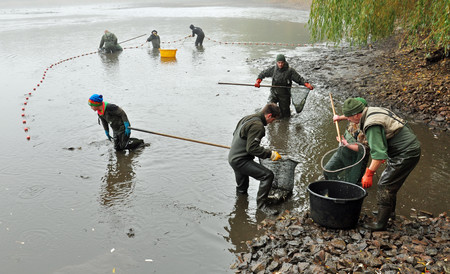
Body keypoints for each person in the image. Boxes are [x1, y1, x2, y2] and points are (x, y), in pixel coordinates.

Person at [342, 98, 421, 231]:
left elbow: (379, 155)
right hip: (405, 148)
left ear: (356, 115)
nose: (348, 120)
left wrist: (369, 173)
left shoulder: (371, 125)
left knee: (385, 184)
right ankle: (390, 214)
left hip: (406, 152)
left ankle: (380, 224)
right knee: (391, 182)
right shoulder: (371, 110)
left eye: (349, 117)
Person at [228, 103, 282, 215]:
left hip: (233, 157)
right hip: (241, 160)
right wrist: (270, 154)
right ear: (269, 115)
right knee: (267, 175)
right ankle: (262, 207)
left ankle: (240, 211)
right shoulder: (258, 126)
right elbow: (252, 149)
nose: (272, 122)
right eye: (273, 119)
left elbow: (235, 134)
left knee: (242, 188)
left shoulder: (248, 118)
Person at [324, 97, 369, 184]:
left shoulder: (368, 126)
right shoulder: (353, 116)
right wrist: (339, 118)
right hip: (344, 151)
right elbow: (349, 115)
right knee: (328, 171)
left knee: (353, 182)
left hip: (358, 158)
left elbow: (364, 150)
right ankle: (334, 186)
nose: (348, 118)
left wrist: (346, 144)